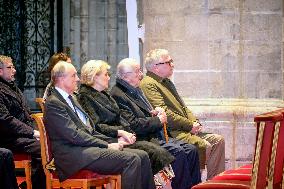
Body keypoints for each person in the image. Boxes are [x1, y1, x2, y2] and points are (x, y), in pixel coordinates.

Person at [44, 61, 155, 189]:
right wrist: (107, 145)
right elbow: (74, 135)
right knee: (132, 160)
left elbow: (89, 130)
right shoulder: (54, 103)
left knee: (143, 155)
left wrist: (114, 140)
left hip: (86, 149)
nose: (78, 79)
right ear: (62, 78)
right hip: (73, 155)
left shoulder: (71, 99)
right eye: (74, 75)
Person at [110, 58, 201, 189]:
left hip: (153, 134)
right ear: (125, 76)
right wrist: (158, 120)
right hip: (142, 138)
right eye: (137, 72)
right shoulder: (118, 94)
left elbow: (144, 114)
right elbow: (133, 125)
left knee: (191, 149)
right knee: (178, 152)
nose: (141, 74)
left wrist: (155, 113)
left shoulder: (134, 89)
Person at [77, 59, 175, 175]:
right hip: (108, 139)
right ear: (95, 76)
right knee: (152, 152)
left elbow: (120, 118)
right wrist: (120, 132)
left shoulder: (104, 94)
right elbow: (97, 126)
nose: (109, 78)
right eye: (106, 74)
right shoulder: (85, 96)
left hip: (124, 136)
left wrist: (128, 131)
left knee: (156, 151)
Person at [140, 48, 225, 179]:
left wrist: (195, 122)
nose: (172, 64)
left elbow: (183, 107)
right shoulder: (148, 83)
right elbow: (165, 112)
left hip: (184, 128)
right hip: (172, 131)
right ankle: (195, 182)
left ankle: (216, 182)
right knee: (205, 145)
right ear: (156, 67)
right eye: (168, 62)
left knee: (218, 141)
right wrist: (189, 125)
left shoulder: (166, 81)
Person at [0, 55, 45, 189]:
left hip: (22, 135)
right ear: (0, 71)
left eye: (13, 66)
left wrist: (40, 130)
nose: (14, 70)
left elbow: (27, 114)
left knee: (50, 144)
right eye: (10, 67)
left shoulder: (12, 86)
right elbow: (5, 120)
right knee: (45, 149)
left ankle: (32, 184)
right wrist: (32, 132)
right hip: (9, 138)